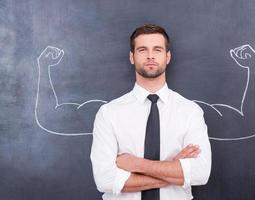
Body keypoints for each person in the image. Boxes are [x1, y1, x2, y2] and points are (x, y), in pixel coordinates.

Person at [90, 24, 211, 200]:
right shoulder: (108, 113)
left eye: (158, 49)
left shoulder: (190, 111)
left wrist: (136, 164)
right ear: (132, 57)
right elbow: (105, 180)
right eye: (142, 50)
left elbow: (200, 173)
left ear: (168, 56)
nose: (150, 56)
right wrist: (173, 168)